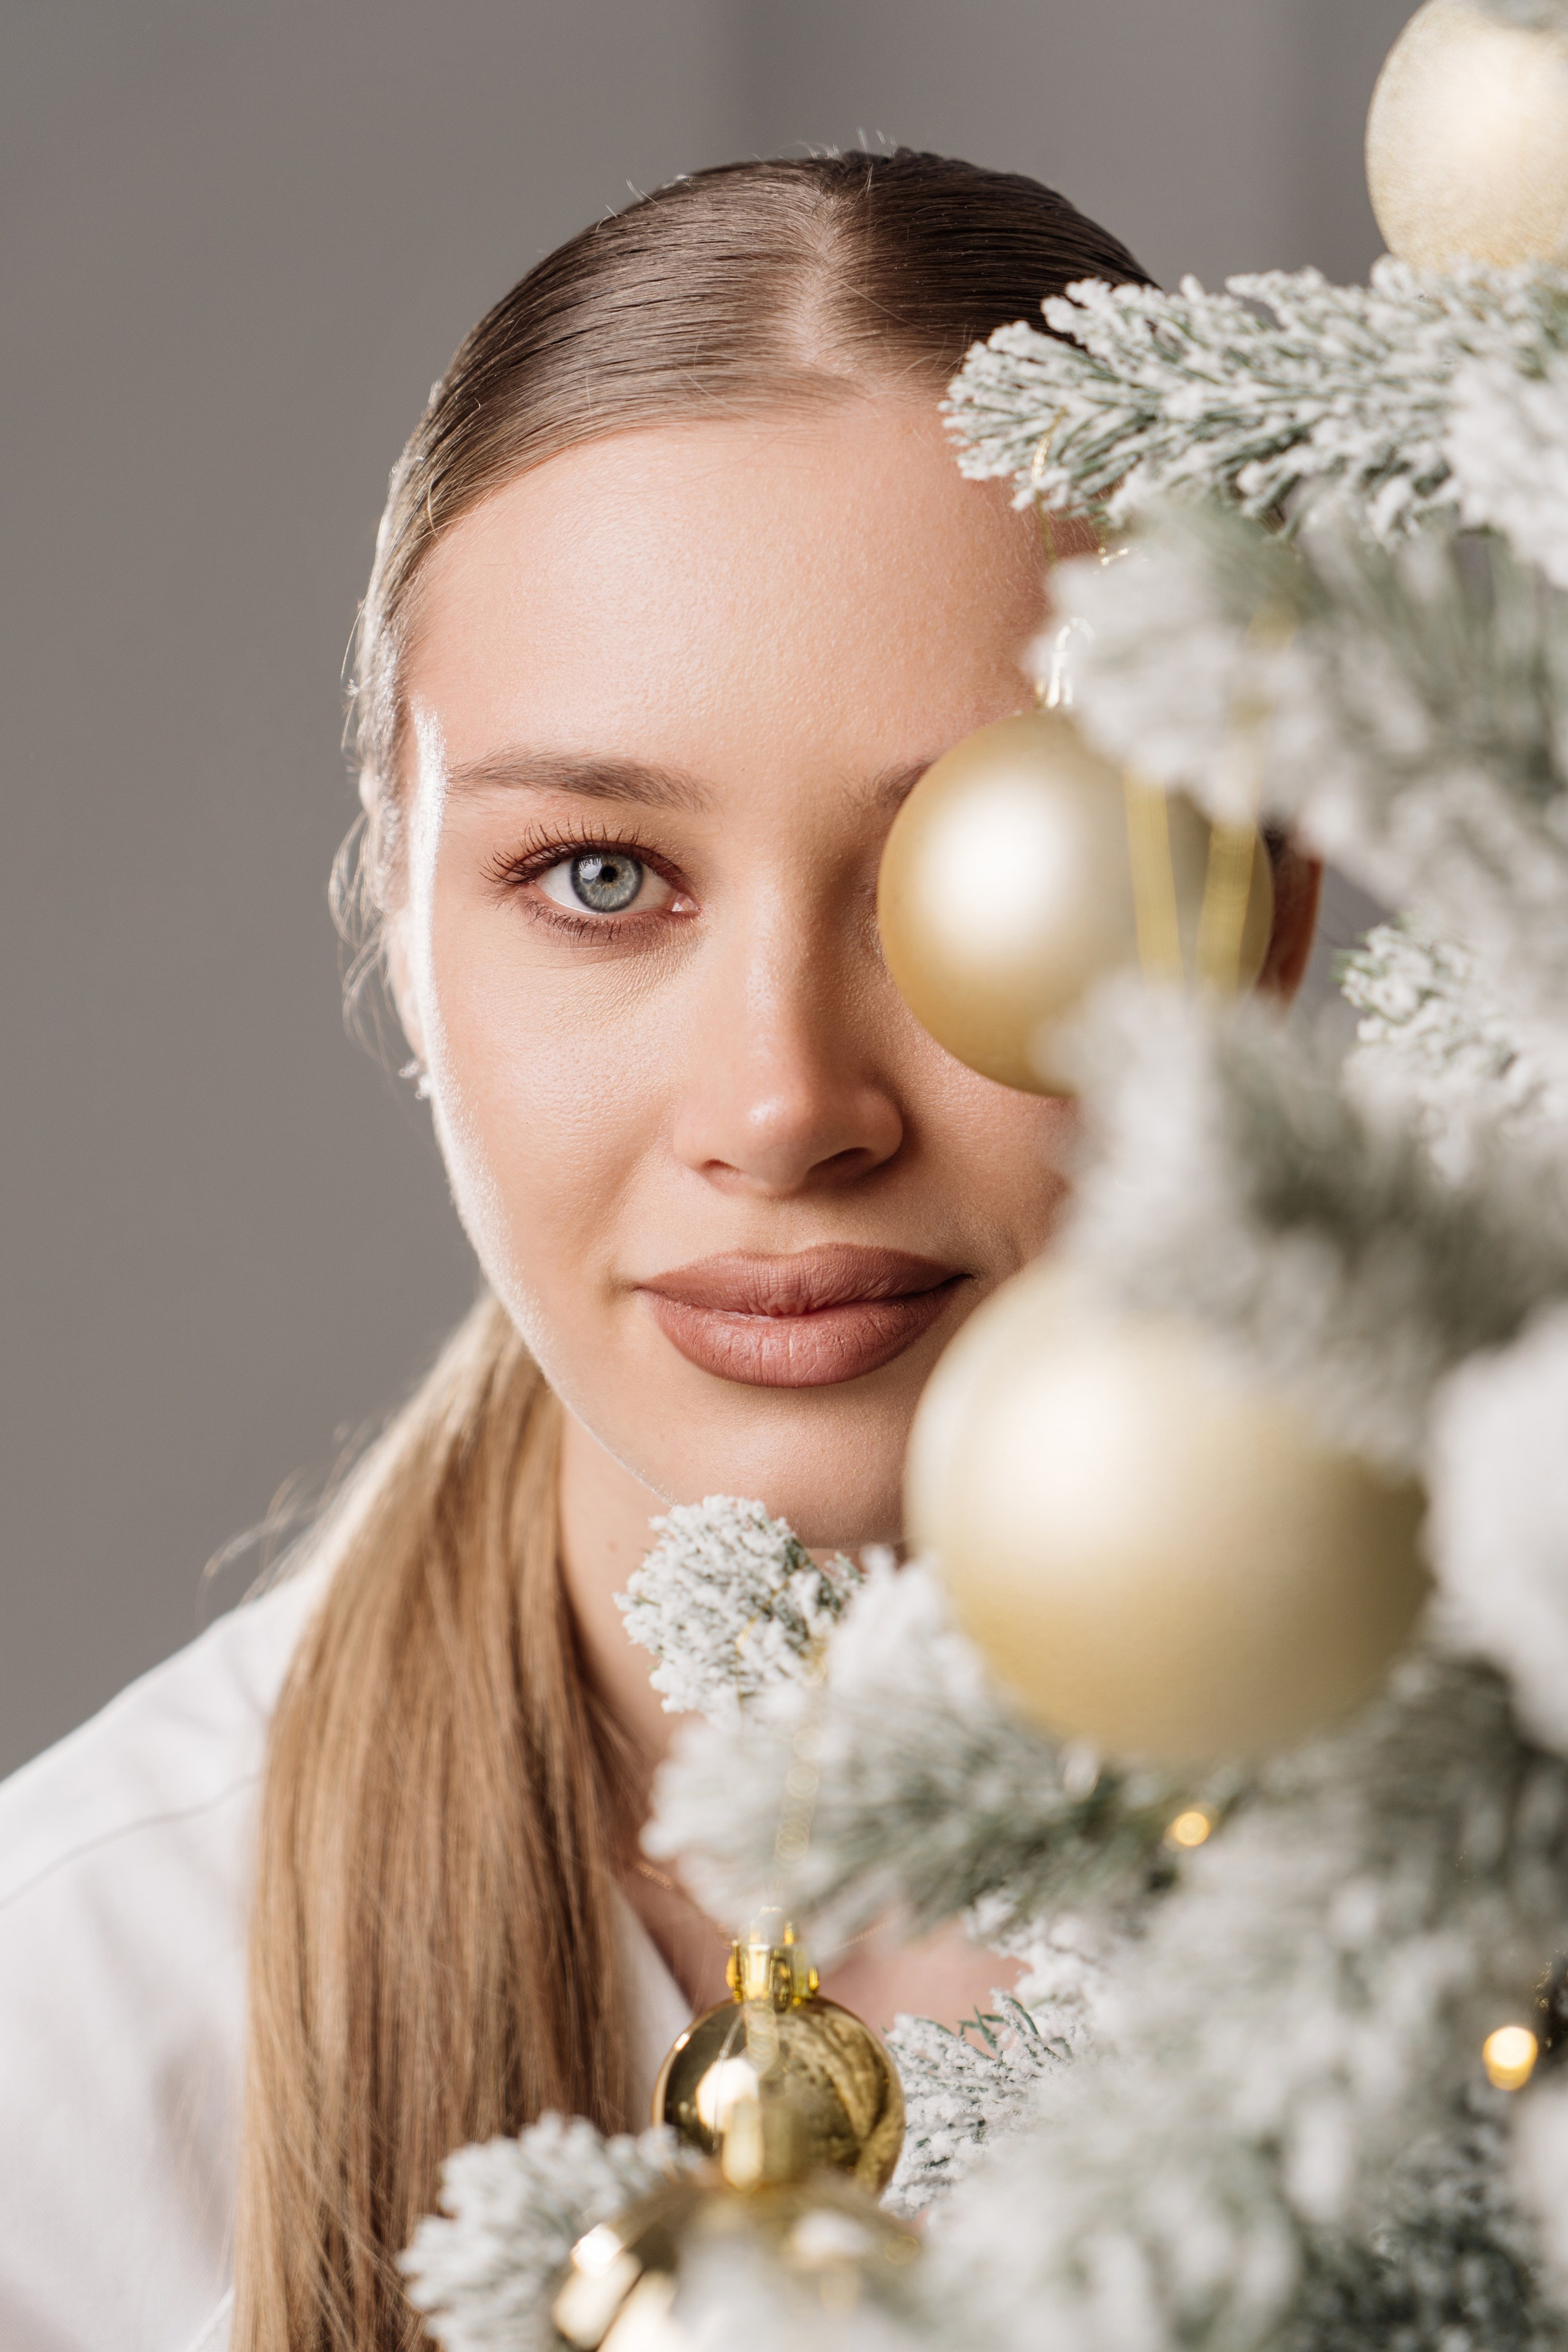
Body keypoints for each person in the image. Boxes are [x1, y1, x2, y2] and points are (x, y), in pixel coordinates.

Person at [0, 151, 1321, 2352]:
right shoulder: (59, 2048)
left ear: (1262, 923)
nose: (789, 1102)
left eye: (975, 873)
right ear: (401, 934)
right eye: (604, 877)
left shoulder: (1495, 1901)